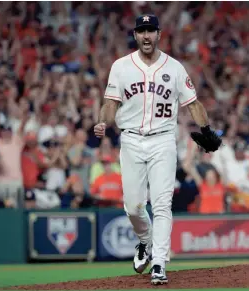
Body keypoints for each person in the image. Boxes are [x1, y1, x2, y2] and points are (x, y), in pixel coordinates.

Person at [94, 14, 219, 285]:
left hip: (163, 139)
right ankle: (144, 241)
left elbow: (193, 103)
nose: (146, 35)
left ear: (159, 34)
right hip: (131, 140)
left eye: (151, 30)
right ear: (136, 35)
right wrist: (103, 121)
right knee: (133, 206)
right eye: (142, 31)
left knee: (162, 204)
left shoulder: (174, 68)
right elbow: (109, 102)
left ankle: (160, 262)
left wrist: (207, 130)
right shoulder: (121, 66)